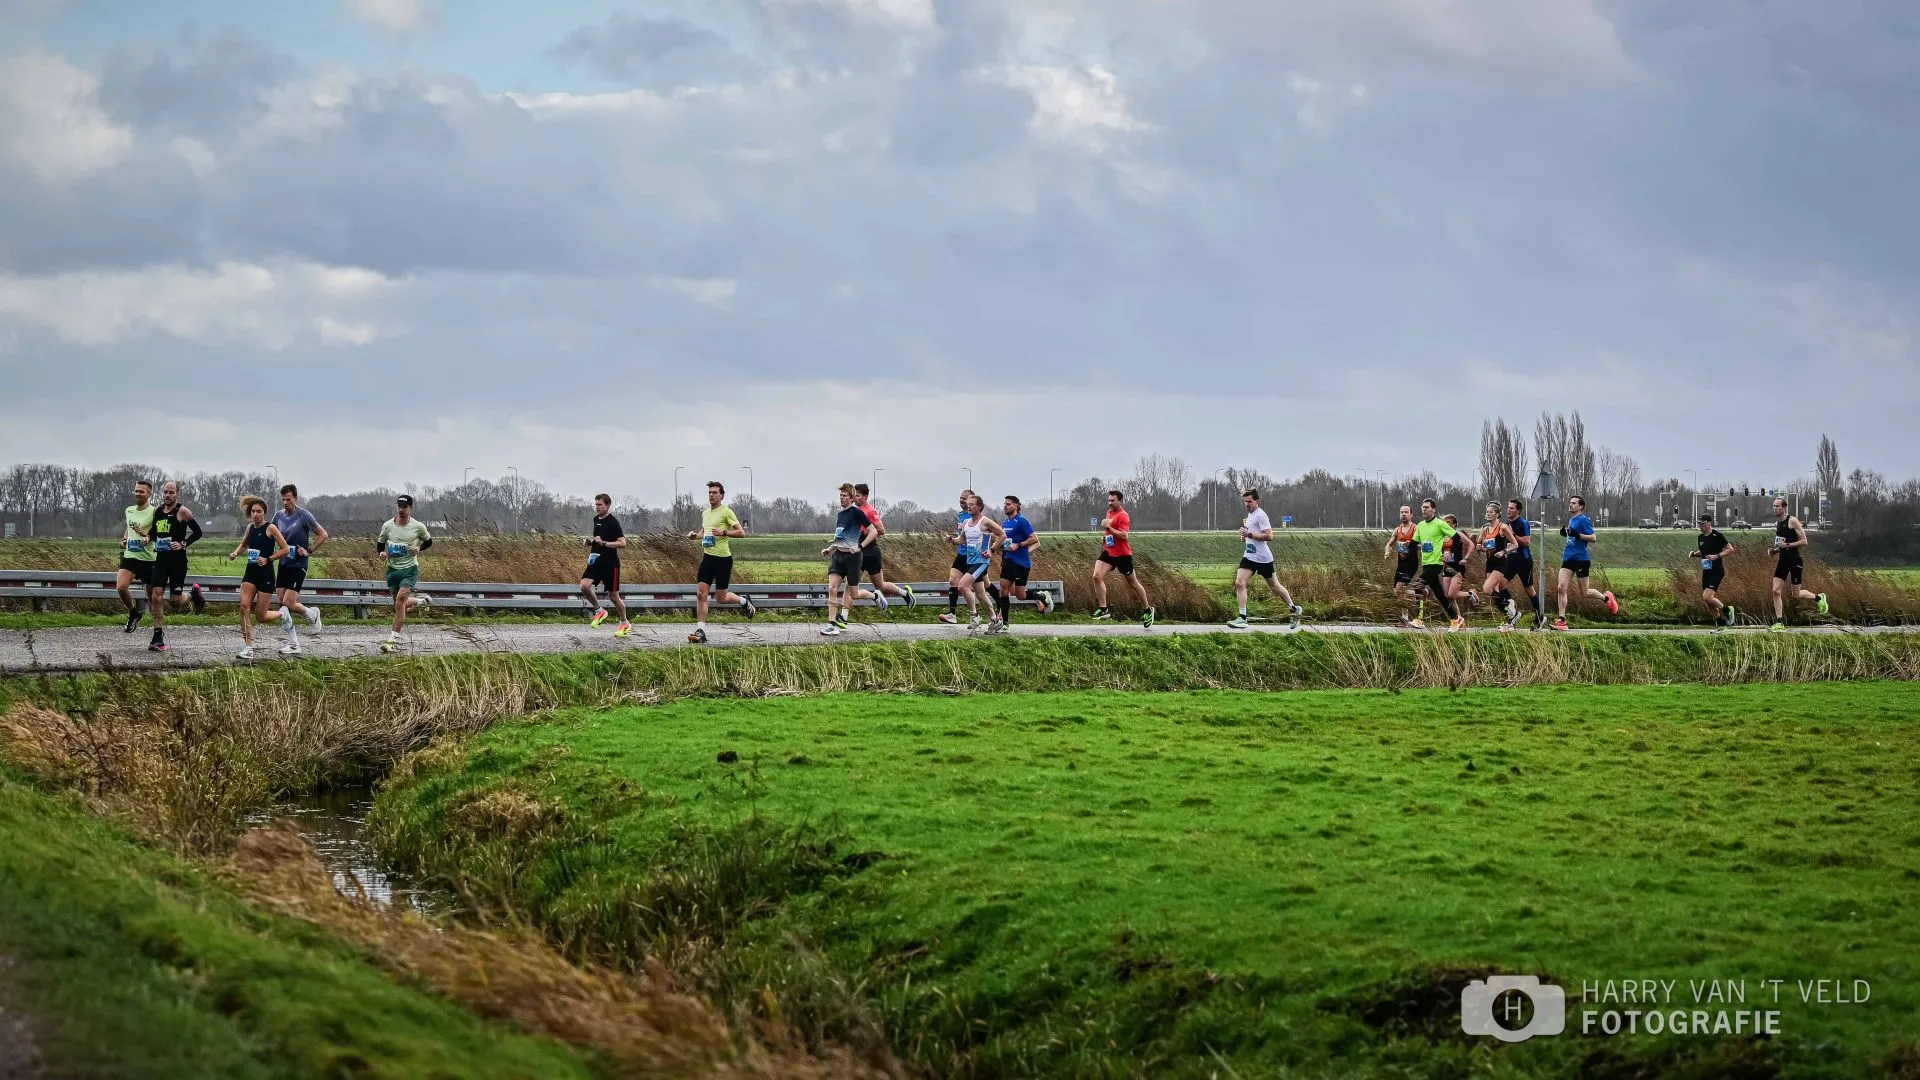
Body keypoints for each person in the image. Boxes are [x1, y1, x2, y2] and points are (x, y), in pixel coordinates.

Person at [686, 481, 755, 643]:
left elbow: (741, 532)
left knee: (721, 598)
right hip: (708, 558)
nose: (711, 495)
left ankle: (743, 600)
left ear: (722, 496)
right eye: (709, 492)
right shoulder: (705, 513)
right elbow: (705, 532)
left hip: (723, 560)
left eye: (715, 492)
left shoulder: (727, 512)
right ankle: (700, 631)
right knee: (700, 593)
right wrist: (694, 536)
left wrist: (724, 532)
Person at [225, 496, 290, 661]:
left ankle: (282, 614)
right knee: (244, 607)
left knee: (261, 616)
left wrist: (268, 559)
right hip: (250, 573)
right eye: (253, 511)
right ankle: (248, 647)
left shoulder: (271, 528)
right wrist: (235, 553)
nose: (255, 514)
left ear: (264, 513)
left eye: (259, 511)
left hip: (266, 574)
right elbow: (244, 544)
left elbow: (285, 549)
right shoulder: (250, 528)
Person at [1227, 489, 1301, 629]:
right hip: (1249, 556)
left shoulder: (1261, 515)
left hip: (1263, 558)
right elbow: (1251, 535)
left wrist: (1249, 535)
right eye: (1245, 502)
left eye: (1249, 501)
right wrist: (1245, 537)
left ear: (1256, 502)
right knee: (1239, 583)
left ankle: (1293, 608)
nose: (1247, 504)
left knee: (1275, 586)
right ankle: (1242, 618)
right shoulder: (1249, 515)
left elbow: (1269, 536)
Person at [268, 484, 327, 655]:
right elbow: (270, 533)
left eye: (289, 499)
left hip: (298, 564)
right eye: (283, 499)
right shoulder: (278, 516)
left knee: (288, 603)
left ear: (295, 499)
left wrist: (309, 550)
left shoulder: (303, 515)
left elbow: (323, 534)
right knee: (282, 603)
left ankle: (310, 616)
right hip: (284, 563)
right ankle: (295, 640)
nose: (286, 502)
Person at [145, 480, 204, 652]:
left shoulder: (183, 511)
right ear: (162, 493)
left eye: (171, 492)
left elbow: (198, 532)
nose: (167, 495)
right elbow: (155, 532)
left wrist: (183, 543)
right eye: (165, 492)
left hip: (177, 562)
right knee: (156, 596)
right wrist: (148, 538)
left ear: (176, 494)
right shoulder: (157, 511)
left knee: (175, 602)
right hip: (161, 560)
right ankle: (157, 636)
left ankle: (193, 594)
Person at [376, 494, 433, 653]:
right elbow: (380, 545)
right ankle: (421, 602)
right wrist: (381, 553)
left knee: (400, 600)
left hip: (409, 569)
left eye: (405, 507)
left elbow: (429, 541)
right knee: (398, 603)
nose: (401, 510)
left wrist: (419, 548)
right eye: (399, 507)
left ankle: (391, 641)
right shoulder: (388, 526)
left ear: (410, 508)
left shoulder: (418, 526)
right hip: (393, 570)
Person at [1552, 495, 1617, 631]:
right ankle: (1561, 620)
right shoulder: (1572, 520)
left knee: (1585, 593)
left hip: (1581, 559)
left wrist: (1578, 535)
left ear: (1580, 506)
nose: (1571, 505)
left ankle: (1607, 598)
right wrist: (1567, 534)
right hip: (1568, 558)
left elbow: (1593, 537)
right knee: (1561, 587)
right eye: (1570, 503)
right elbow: (1573, 536)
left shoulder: (1583, 520)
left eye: (1574, 503)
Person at [1090, 489, 1154, 628]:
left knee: (1133, 584)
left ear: (1120, 501)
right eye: (1109, 500)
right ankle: (1103, 609)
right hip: (1109, 552)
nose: (1110, 503)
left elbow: (1124, 536)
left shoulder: (1123, 515)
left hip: (1123, 555)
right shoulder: (1109, 513)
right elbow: (1110, 532)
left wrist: (1109, 528)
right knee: (1096, 576)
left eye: (1113, 501)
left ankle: (1147, 610)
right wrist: (1105, 538)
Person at [1768, 496, 1828, 631]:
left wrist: (1787, 544)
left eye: (1777, 506)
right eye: (1773, 506)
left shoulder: (1792, 521)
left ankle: (1818, 598)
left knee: (1796, 594)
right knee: (1775, 591)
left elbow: (1804, 541)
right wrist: (1775, 550)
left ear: (1784, 508)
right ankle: (1779, 622)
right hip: (1783, 560)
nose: (1775, 508)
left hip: (1795, 560)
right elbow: (1781, 544)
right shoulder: (1778, 523)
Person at [820, 483, 873, 636]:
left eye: (844, 496)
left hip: (853, 558)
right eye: (840, 496)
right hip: (839, 557)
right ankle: (831, 625)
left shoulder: (857, 513)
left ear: (851, 498)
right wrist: (829, 549)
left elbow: (873, 532)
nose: (841, 498)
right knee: (832, 588)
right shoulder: (840, 515)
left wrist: (860, 546)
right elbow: (840, 538)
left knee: (854, 594)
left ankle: (875, 595)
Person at [990, 495, 1048, 634]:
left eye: (1008, 504)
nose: (1005, 506)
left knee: (1020, 595)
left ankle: (1041, 596)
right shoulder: (1004, 524)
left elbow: (1034, 539)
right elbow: (1003, 540)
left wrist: (1019, 545)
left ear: (1016, 506)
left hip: (1021, 563)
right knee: (1003, 590)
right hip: (1008, 561)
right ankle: (1005, 623)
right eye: (1004, 504)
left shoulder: (1021, 521)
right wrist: (995, 549)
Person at [853, 483, 913, 611]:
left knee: (880, 587)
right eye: (854, 495)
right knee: (852, 585)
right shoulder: (856, 511)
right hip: (859, 551)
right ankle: (904, 593)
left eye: (857, 495)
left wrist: (866, 533)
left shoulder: (870, 511)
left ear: (865, 496)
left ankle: (904, 594)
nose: (854, 498)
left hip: (871, 552)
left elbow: (881, 530)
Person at [580, 493, 630, 637]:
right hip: (596, 560)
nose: (597, 507)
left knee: (613, 597)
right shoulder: (596, 520)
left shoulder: (613, 522)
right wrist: (589, 541)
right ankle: (599, 610)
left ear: (607, 505)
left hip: (610, 563)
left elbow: (622, 543)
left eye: (600, 505)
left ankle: (624, 622)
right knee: (584, 586)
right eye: (596, 505)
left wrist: (605, 543)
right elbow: (598, 538)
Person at [1412, 498, 1463, 632]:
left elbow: (1457, 538)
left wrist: (1449, 553)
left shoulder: (1440, 524)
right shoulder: (1421, 525)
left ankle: (1419, 618)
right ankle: (1455, 619)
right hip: (1426, 564)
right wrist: (1407, 548)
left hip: (1436, 564)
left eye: (1427, 507)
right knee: (1440, 595)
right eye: (1423, 507)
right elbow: (1414, 543)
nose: (1424, 509)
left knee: (1418, 586)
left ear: (1433, 509)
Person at [956, 493, 1005, 632]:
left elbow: (1002, 535)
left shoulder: (985, 522)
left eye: (972, 504)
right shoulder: (966, 523)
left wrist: (992, 550)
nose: (968, 506)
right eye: (967, 504)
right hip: (970, 561)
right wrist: (952, 540)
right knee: (980, 594)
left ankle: (974, 616)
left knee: (962, 586)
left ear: (979, 507)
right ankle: (995, 620)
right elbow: (962, 540)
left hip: (981, 561)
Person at [115, 479, 157, 634]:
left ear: (148, 494)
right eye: (136, 491)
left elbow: (156, 532)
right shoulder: (129, 510)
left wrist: (147, 538)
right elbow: (129, 527)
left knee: (153, 599)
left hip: (149, 559)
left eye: (141, 491)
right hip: (131, 556)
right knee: (121, 587)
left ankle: (157, 632)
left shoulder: (154, 512)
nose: (138, 494)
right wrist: (124, 539)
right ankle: (133, 612)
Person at [1477, 503, 1518, 634]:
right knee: (1493, 592)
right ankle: (1509, 616)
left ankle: (1511, 613)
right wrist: (1480, 548)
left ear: (1497, 514)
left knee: (1486, 588)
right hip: (1489, 562)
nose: (1488, 514)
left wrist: (1503, 551)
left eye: (1491, 512)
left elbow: (1515, 544)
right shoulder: (1485, 529)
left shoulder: (1503, 527)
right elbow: (1480, 545)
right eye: (1487, 512)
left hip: (1500, 562)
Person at [1691, 513, 1736, 633]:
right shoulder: (1700, 537)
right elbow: (1703, 551)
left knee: (1707, 596)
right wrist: (1695, 554)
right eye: (1699, 523)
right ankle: (1720, 624)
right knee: (1707, 600)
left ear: (1709, 523)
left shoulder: (1717, 535)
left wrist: (1717, 556)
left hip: (1717, 570)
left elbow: (1730, 549)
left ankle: (1727, 610)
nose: (1700, 525)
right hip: (1706, 571)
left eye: (1702, 523)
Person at [1505, 499, 1543, 631]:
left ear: (1518, 510)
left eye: (1512, 508)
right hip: (1510, 560)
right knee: (1501, 585)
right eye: (1508, 507)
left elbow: (1527, 542)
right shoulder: (1507, 524)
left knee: (1529, 589)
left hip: (1523, 560)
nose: (1509, 510)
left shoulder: (1523, 523)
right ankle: (1512, 613)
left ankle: (1539, 616)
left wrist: (1512, 535)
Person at [940, 489, 977, 624]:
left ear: (971, 500)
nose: (961, 500)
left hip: (973, 556)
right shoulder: (961, 515)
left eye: (964, 498)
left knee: (984, 586)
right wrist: (953, 539)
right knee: (953, 580)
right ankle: (952, 614)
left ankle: (996, 611)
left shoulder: (975, 516)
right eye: (960, 498)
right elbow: (962, 536)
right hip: (961, 553)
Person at [1386, 505, 1421, 626]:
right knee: (1397, 591)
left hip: (1411, 563)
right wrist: (1387, 551)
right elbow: (1389, 544)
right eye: (1401, 512)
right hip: (1401, 563)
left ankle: (1404, 620)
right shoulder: (1397, 530)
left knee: (1400, 588)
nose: (1403, 514)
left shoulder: (1415, 528)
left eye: (1406, 512)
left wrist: (1411, 545)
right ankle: (1420, 594)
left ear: (1411, 515)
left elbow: (1424, 544)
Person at [1441, 513, 1472, 615]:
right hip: (1447, 567)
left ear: (1454, 524)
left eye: (1448, 523)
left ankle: (1471, 594)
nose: (1446, 524)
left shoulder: (1458, 535)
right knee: (1447, 596)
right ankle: (1459, 619)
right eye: (1445, 522)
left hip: (1457, 566)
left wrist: (1466, 558)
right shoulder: (1442, 536)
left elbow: (1471, 545)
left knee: (1451, 594)